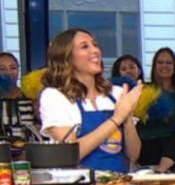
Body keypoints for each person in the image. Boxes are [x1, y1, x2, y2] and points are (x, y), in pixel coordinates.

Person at [38, 29, 143, 172]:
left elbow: (133, 155)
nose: (95, 51)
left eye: (95, 45)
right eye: (84, 46)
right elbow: (71, 154)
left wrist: (128, 118)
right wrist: (117, 118)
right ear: (67, 57)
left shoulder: (117, 93)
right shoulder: (54, 96)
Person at [136, 47, 175, 172]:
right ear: (154, 66)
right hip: (148, 146)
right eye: (160, 62)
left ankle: (162, 168)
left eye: (168, 63)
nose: (164, 66)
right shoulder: (144, 91)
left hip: (173, 149)